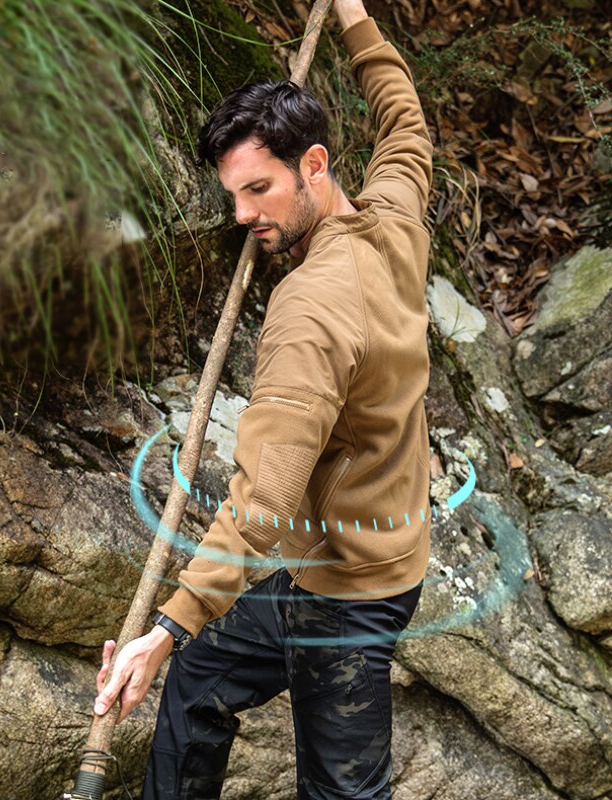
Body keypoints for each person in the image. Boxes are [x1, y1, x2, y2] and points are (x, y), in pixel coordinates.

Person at [93, 0, 433, 796]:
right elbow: (405, 120)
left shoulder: (309, 309)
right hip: (366, 554)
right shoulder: (394, 216)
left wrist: (168, 626)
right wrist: (352, 12)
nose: (243, 214)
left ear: (314, 164)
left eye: (259, 190)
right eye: (234, 194)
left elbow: (264, 500)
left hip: (348, 597)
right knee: (198, 684)